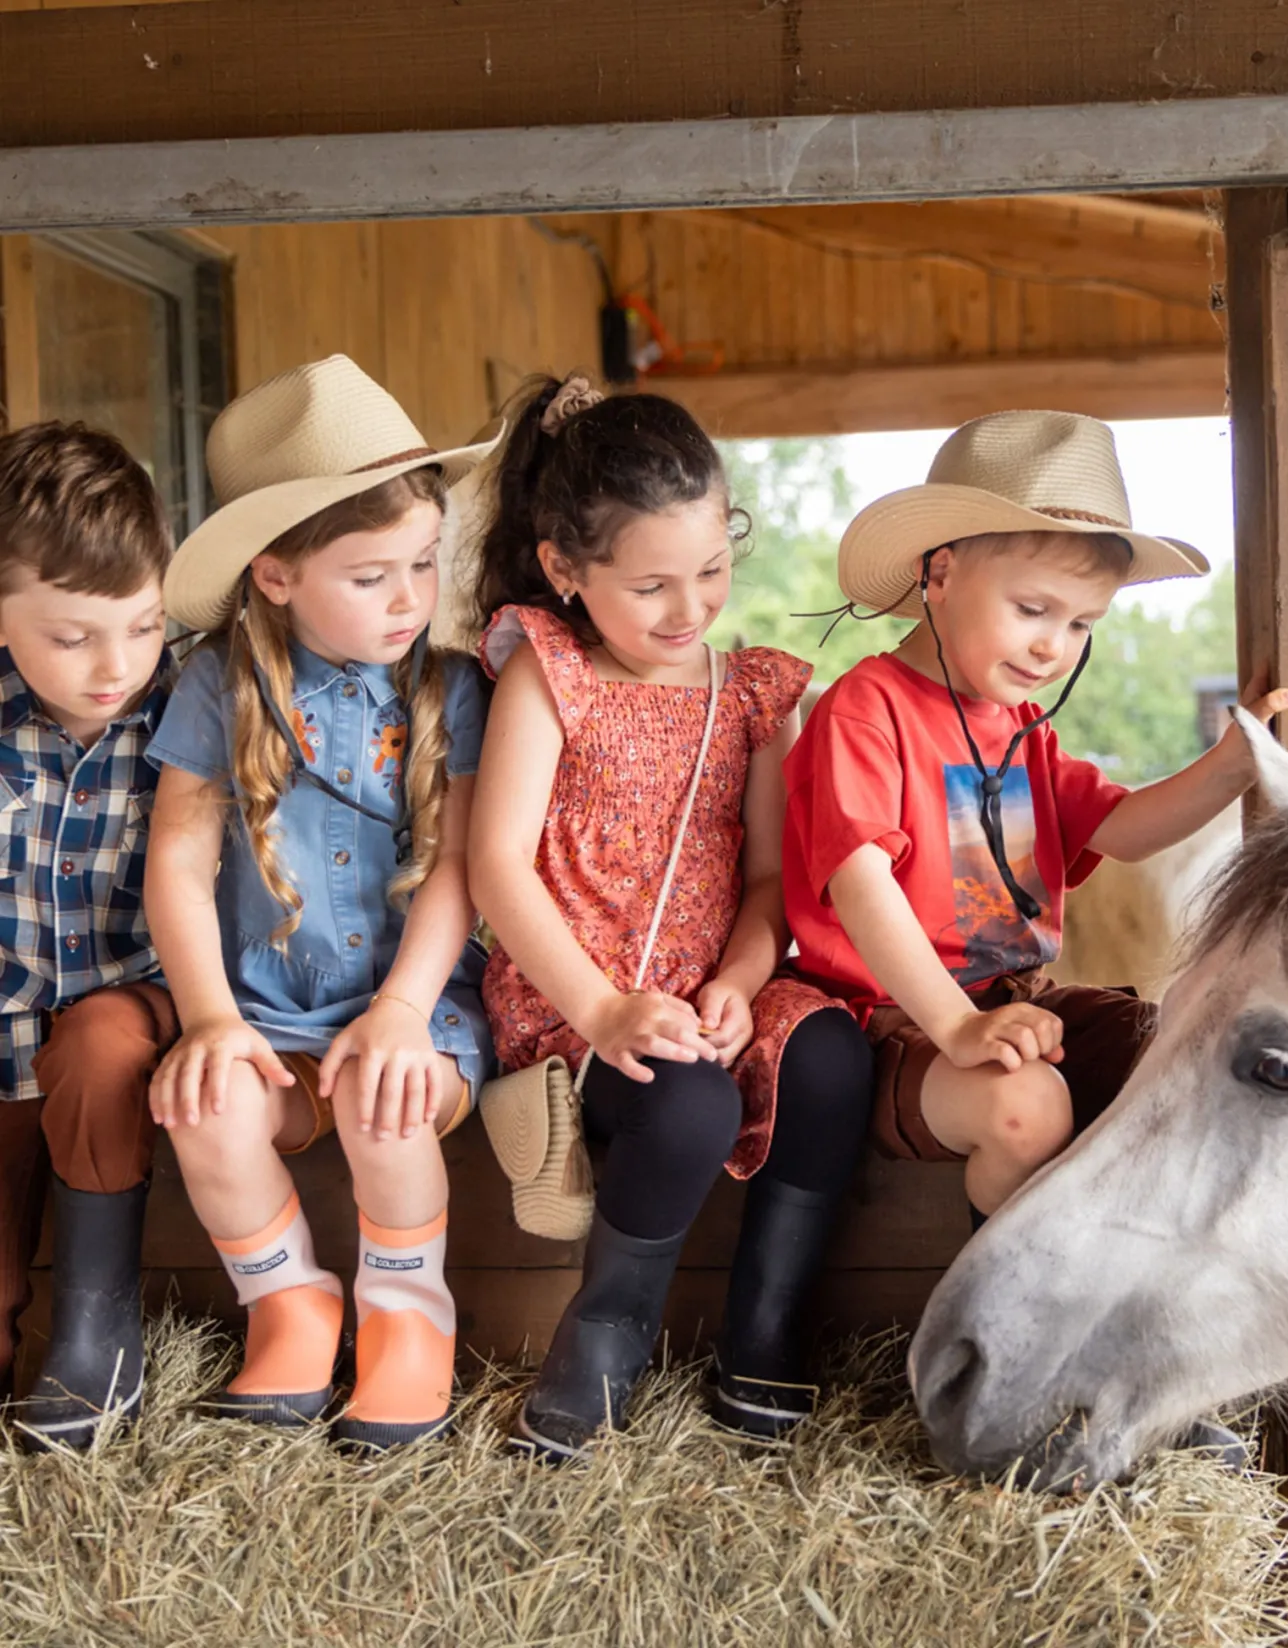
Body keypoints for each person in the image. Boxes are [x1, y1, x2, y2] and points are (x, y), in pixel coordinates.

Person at [467, 377, 873, 1460]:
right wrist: (603, 1011)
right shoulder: (548, 676)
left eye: (710, 571)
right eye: (649, 585)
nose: (688, 609)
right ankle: (606, 1330)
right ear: (565, 570)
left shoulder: (750, 695)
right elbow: (497, 866)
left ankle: (765, 1325)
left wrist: (740, 983)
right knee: (683, 1099)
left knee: (829, 1056)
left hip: (710, 981)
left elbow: (763, 883)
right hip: (578, 992)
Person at [784, 410, 1288, 1220]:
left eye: (1081, 623)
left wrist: (1233, 765)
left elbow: (1124, 830)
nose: (1055, 645)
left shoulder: (1024, 732)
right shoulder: (865, 710)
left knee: (1190, 1054)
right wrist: (955, 1028)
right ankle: (1006, 1329)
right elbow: (860, 884)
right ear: (940, 574)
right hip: (893, 1029)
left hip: (1018, 1002)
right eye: (1033, 609)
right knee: (1029, 1110)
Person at [143, 355, 496, 1448]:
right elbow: (178, 861)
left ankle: (405, 1319)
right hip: (262, 1008)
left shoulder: (452, 688)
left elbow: (457, 869)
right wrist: (209, 1019)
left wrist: (399, 1009)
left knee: (383, 1103)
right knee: (208, 1107)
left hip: (412, 1008)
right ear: (277, 575)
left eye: (424, 565)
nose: (408, 599)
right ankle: (290, 1302)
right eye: (371, 574)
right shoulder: (221, 685)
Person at [0, 421, 177, 1447]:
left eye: (144, 626)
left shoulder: (188, 708)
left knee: (97, 1043)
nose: (117, 667)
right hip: (6, 1028)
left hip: (135, 1003)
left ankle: (96, 1328)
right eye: (72, 638)